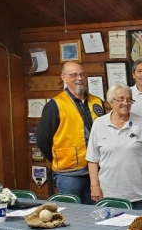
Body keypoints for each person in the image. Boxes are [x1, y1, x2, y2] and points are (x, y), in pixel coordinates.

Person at [36, 62, 105, 204]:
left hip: (97, 171)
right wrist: (59, 158)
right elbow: (43, 140)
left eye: (82, 74)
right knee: (72, 216)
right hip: (69, 174)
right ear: (63, 77)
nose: (79, 78)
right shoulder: (55, 104)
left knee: (96, 214)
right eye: (73, 75)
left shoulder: (97, 101)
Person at [86, 83, 142, 210]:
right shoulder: (99, 124)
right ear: (111, 101)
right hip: (109, 194)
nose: (126, 103)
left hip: (139, 193)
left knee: (139, 228)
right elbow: (92, 160)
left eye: (129, 99)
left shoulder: (141, 122)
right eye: (121, 99)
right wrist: (94, 186)